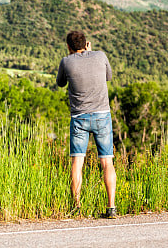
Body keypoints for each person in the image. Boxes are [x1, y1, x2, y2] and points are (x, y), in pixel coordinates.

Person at [56, 30, 118, 219]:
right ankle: (111, 208)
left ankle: (76, 208)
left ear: (68, 46)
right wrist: (89, 53)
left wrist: (75, 57)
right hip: (102, 116)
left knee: (77, 162)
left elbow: (60, 83)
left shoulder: (66, 62)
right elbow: (108, 77)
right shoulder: (100, 56)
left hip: (79, 118)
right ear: (86, 43)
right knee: (107, 161)